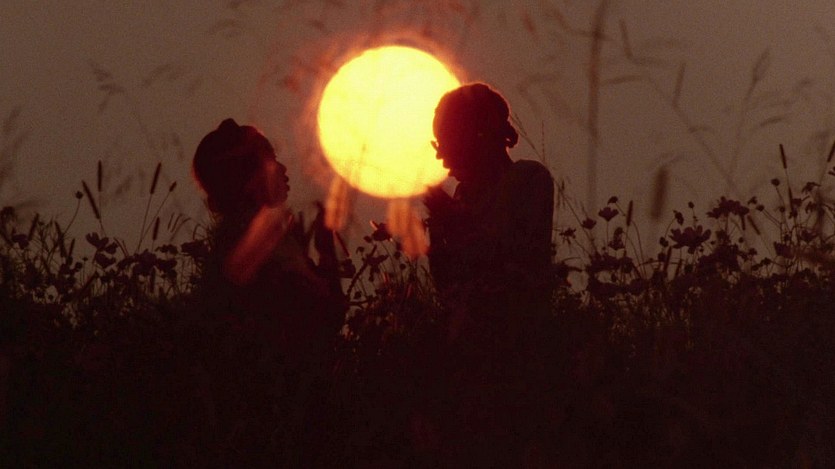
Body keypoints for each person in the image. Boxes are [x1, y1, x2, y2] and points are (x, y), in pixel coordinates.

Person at [424, 82, 555, 334]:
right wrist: (438, 238)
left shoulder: (528, 178)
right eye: (439, 144)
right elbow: (447, 290)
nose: (441, 156)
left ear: (478, 134)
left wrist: (455, 222)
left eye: (448, 142)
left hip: (521, 332)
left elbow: (519, 263)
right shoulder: (462, 196)